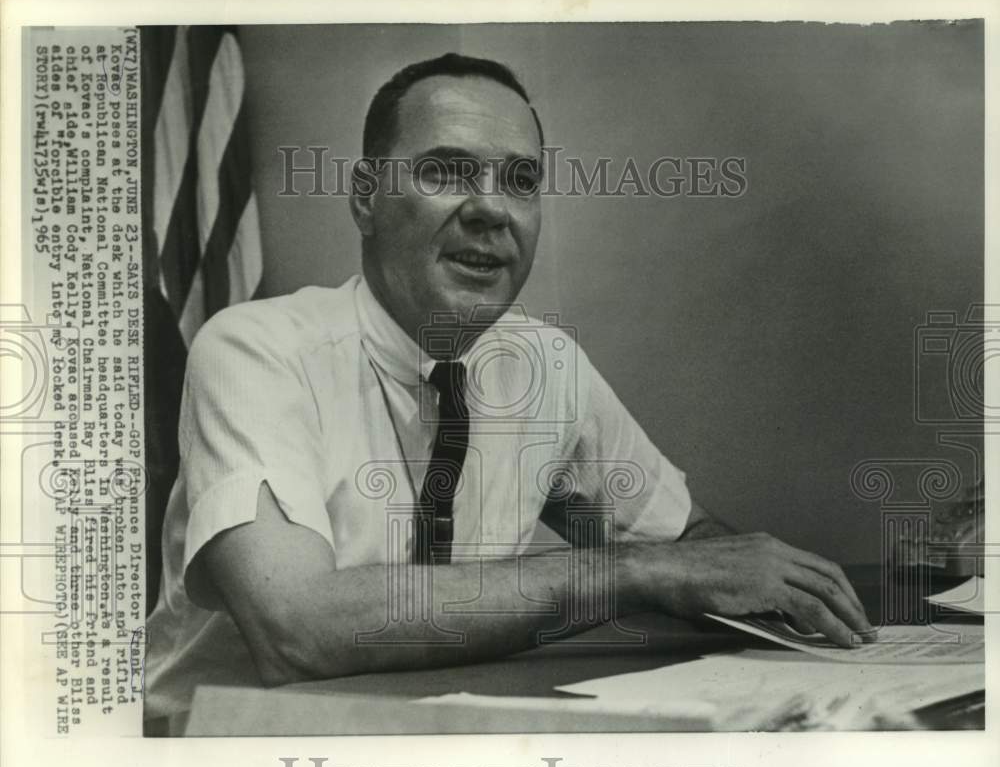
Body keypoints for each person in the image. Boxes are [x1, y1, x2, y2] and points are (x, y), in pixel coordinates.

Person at [144, 53, 873, 721]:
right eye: (447, 171)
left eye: (520, 182)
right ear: (365, 198)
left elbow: (689, 545)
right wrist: (646, 572)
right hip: (230, 755)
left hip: (450, 741)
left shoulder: (544, 365)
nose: (491, 209)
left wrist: (765, 585)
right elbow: (298, 631)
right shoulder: (256, 349)